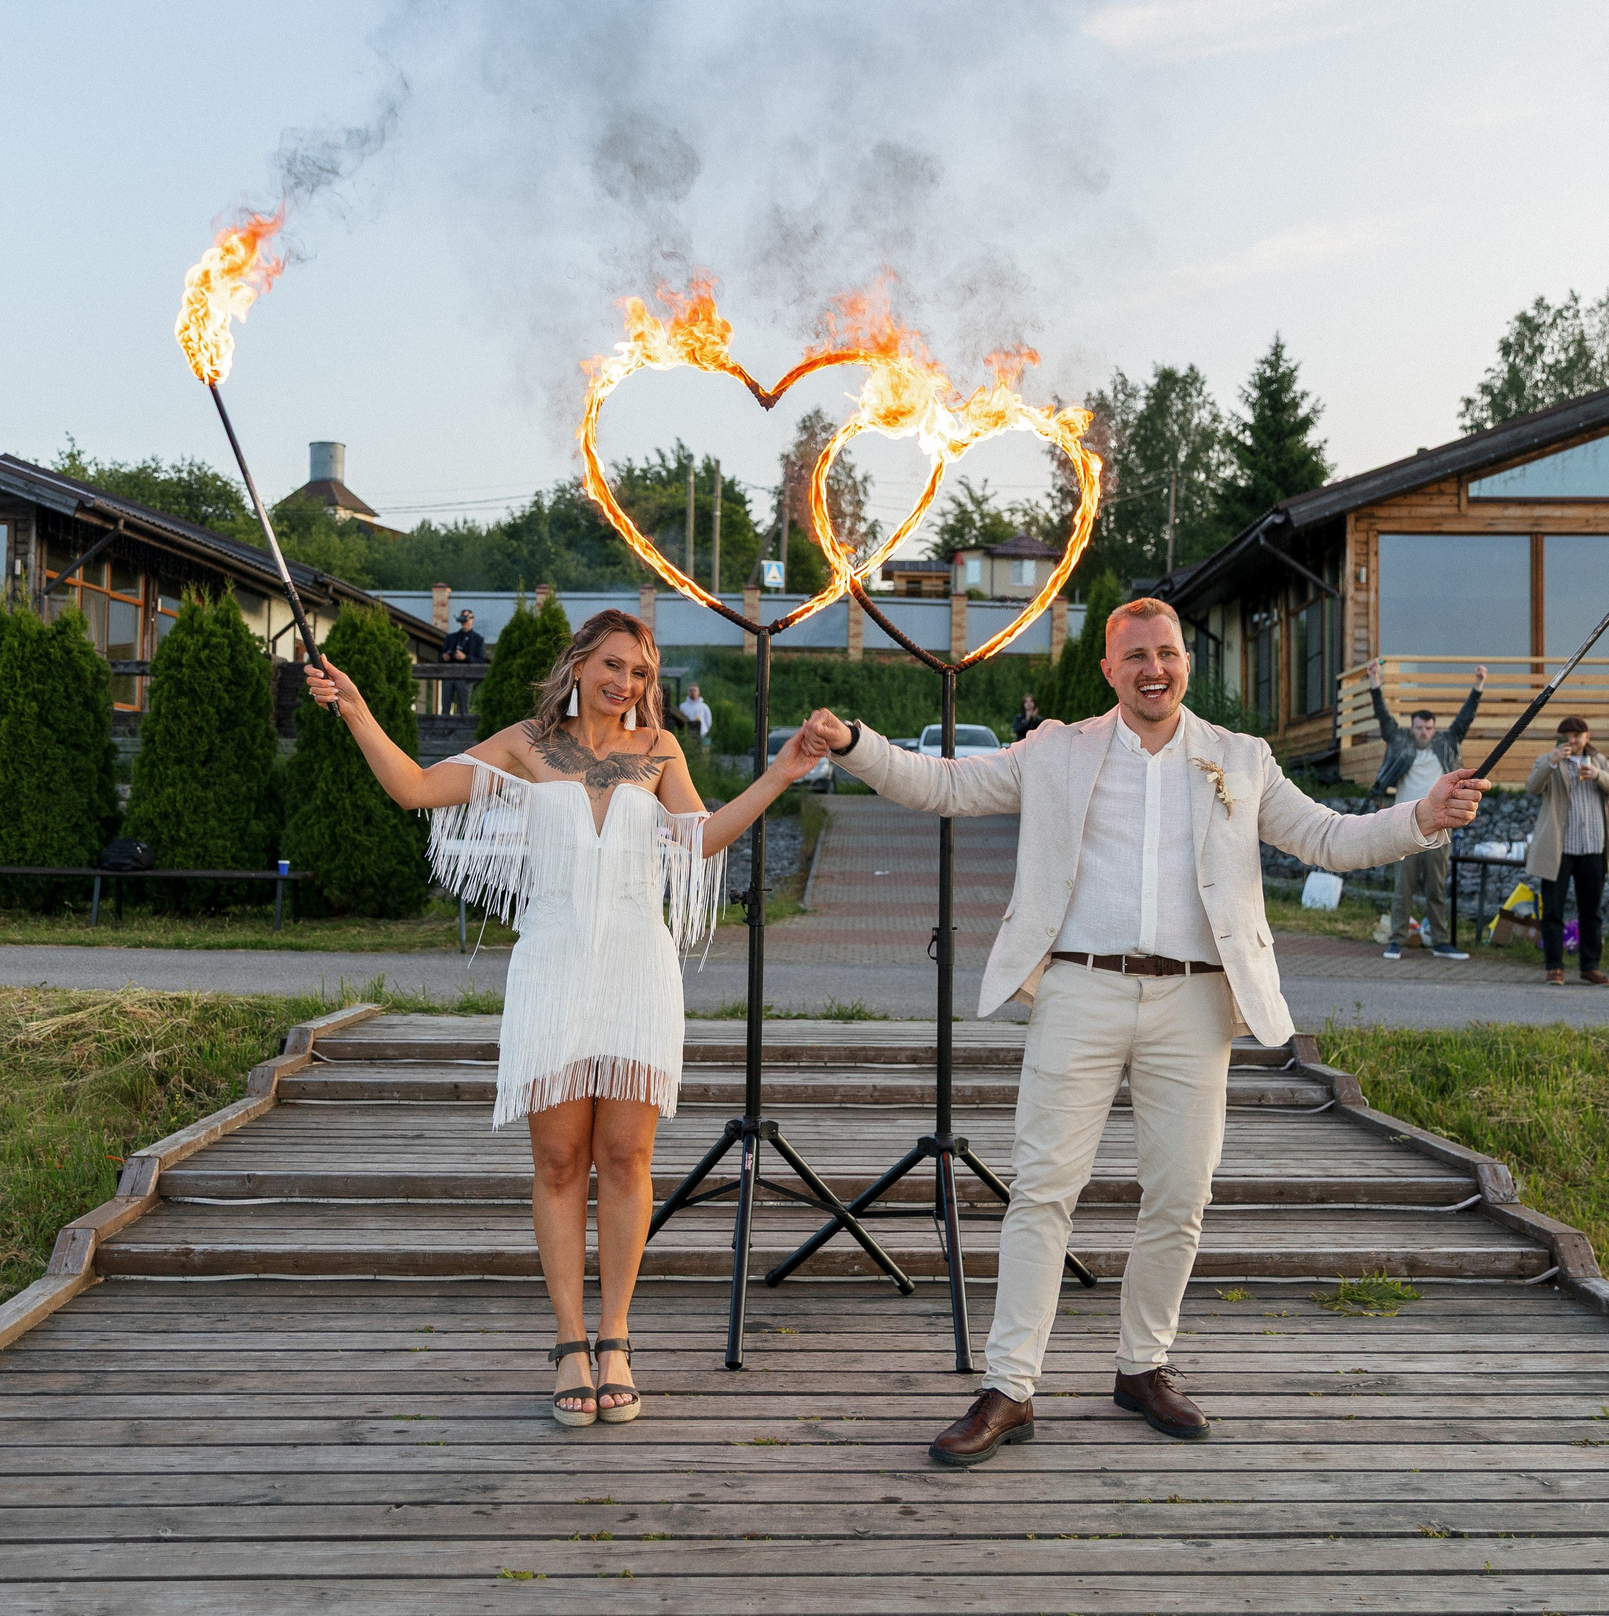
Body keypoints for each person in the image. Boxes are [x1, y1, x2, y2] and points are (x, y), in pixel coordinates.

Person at [800, 598, 1487, 1468]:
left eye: (1167, 653)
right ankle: (1010, 1386)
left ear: (1185, 665)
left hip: (1196, 1000)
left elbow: (1327, 837)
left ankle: (1142, 1365)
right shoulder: (1056, 749)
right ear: (1109, 669)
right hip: (1080, 988)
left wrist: (1421, 817)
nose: (1153, 669)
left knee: (1179, 1194)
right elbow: (946, 784)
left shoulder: (1241, 758)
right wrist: (856, 741)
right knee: (1043, 1188)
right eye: (1136, 656)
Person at [305, 610, 820, 1427]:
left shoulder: (660, 752)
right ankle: (569, 1342)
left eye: (641, 673)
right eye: (614, 664)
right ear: (580, 663)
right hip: (550, 962)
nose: (626, 683)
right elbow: (414, 788)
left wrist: (780, 774)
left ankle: (615, 1335)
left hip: (635, 965)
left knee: (626, 1154)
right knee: (557, 1160)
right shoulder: (521, 744)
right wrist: (359, 709)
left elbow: (700, 840)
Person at [1369, 659, 1485, 959]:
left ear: (1435, 729)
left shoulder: (1446, 744)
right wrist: (1375, 682)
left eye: (1428, 728)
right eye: (1419, 728)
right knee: (1402, 888)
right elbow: (1382, 716)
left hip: (1439, 826)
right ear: (1412, 728)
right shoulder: (1399, 742)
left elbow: (1465, 719)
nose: (1423, 733)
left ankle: (1440, 941)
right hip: (1405, 824)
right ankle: (1396, 940)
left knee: (1436, 888)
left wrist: (1478, 686)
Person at [1525, 716, 1609, 986]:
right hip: (1559, 847)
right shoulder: (1549, 760)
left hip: (1593, 845)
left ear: (1587, 737)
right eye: (1566, 735)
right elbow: (1532, 786)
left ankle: (1590, 966)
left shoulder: (1599, 761)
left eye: (1577, 735)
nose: (1572, 740)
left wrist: (1599, 775)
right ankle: (1554, 966)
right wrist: (1552, 761)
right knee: (1553, 910)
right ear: (1558, 738)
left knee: (1591, 910)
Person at [440, 608, 487, 716]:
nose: (464, 623)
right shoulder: (452, 637)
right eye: (462, 620)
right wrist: (445, 657)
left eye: (466, 619)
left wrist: (465, 657)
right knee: (445, 707)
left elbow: (480, 660)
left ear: (472, 619)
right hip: (449, 675)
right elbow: (441, 656)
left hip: (465, 678)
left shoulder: (477, 639)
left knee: (463, 709)